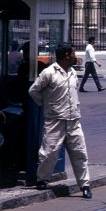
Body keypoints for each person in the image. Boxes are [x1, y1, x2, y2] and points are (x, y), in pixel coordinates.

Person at [28, 43, 93, 199]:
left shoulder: (71, 72)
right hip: (55, 120)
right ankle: (42, 179)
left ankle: (84, 185)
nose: (75, 56)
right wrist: (46, 105)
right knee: (49, 152)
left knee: (80, 153)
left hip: (73, 120)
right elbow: (34, 91)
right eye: (73, 54)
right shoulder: (49, 73)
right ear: (66, 56)